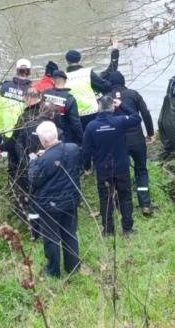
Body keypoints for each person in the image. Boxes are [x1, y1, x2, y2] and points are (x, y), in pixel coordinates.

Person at [82, 95, 143, 236]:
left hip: (103, 170)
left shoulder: (91, 126)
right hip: (121, 167)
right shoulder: (120, 121)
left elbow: (86, 150)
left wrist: (86, 167)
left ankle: (108, 230)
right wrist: (122, 105)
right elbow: (136, 117)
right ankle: (127, 229)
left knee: (105, 199)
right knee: (125, 197)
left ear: (98, 108)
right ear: (112, 107)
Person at [29, 121, 83, 278]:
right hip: (71, 200)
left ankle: (53, 270)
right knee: (70, 233)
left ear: (44, 141)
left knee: (51, 238)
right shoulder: (73, 149)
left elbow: (34, 180)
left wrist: (33, 161)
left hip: (50, 205)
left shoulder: (43, 160)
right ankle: (73, 266)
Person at [0, 88, 44, 238]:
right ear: (39, 96)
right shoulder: (49, 112)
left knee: (27, 193)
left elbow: (14, 140)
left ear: (27, 99)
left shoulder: (24, 117)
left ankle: (30, 225)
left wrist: (0, 147)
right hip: (50, 159)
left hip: (29, 162)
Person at [108, 69, 155, 215]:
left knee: (118, 172)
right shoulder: (134, 94)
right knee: (141, 170)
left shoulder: (106, 97)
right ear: (124, 82)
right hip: (137, 140)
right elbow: (145, 114)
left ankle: (119, 203)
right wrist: (150, 133)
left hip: (118, 141)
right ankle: (145, 204)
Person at [63, 47, 114, 125]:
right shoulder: (87, 72)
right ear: (79, 59)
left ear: (67, 61)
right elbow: (105, 86)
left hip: (75, 116)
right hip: (92, 112)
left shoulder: (63, 77)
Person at [0, 58, 34, 139]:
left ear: (16, 70)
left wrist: (2, 131)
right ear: (29, 72)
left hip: (7, 133)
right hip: (25, 135)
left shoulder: (4, 87)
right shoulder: (33, 90)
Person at [41, 70, 84, 145]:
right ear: (65, 81)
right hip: (64, 136)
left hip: (45, 134)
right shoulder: (69, 98)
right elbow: (75, 123)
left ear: (53, 80)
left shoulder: (45, 94)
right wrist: (82, 139)